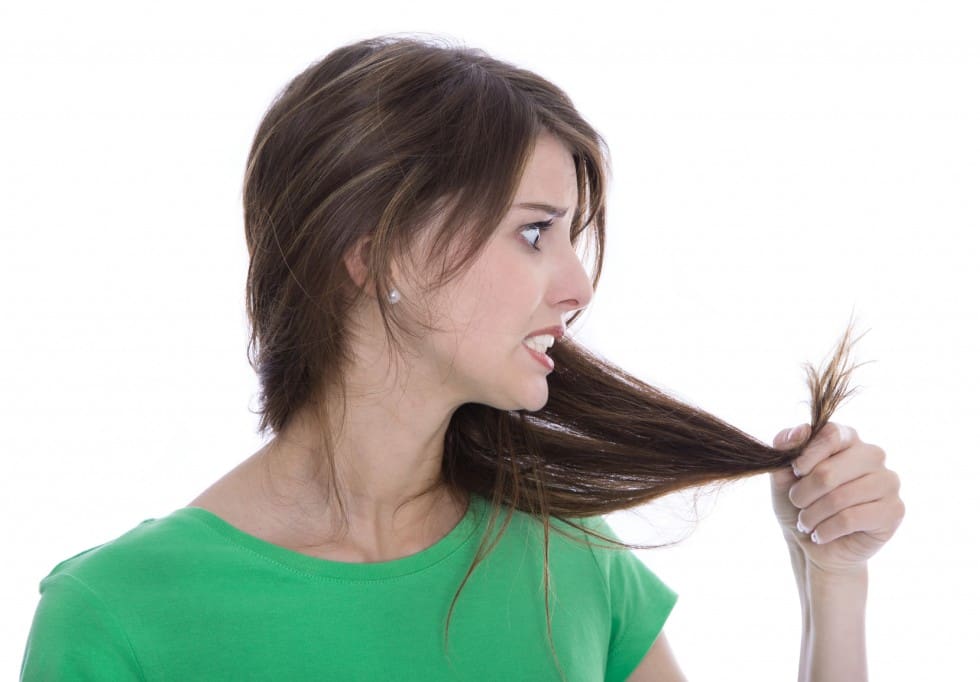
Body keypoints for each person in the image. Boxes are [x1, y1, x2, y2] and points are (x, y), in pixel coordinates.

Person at [20, 34, 904, 681]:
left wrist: (832, 578)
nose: (576, 286)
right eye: (532, 233)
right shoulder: (120, 619)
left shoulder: (570, 562)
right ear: (372, 253)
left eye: (570, 238)